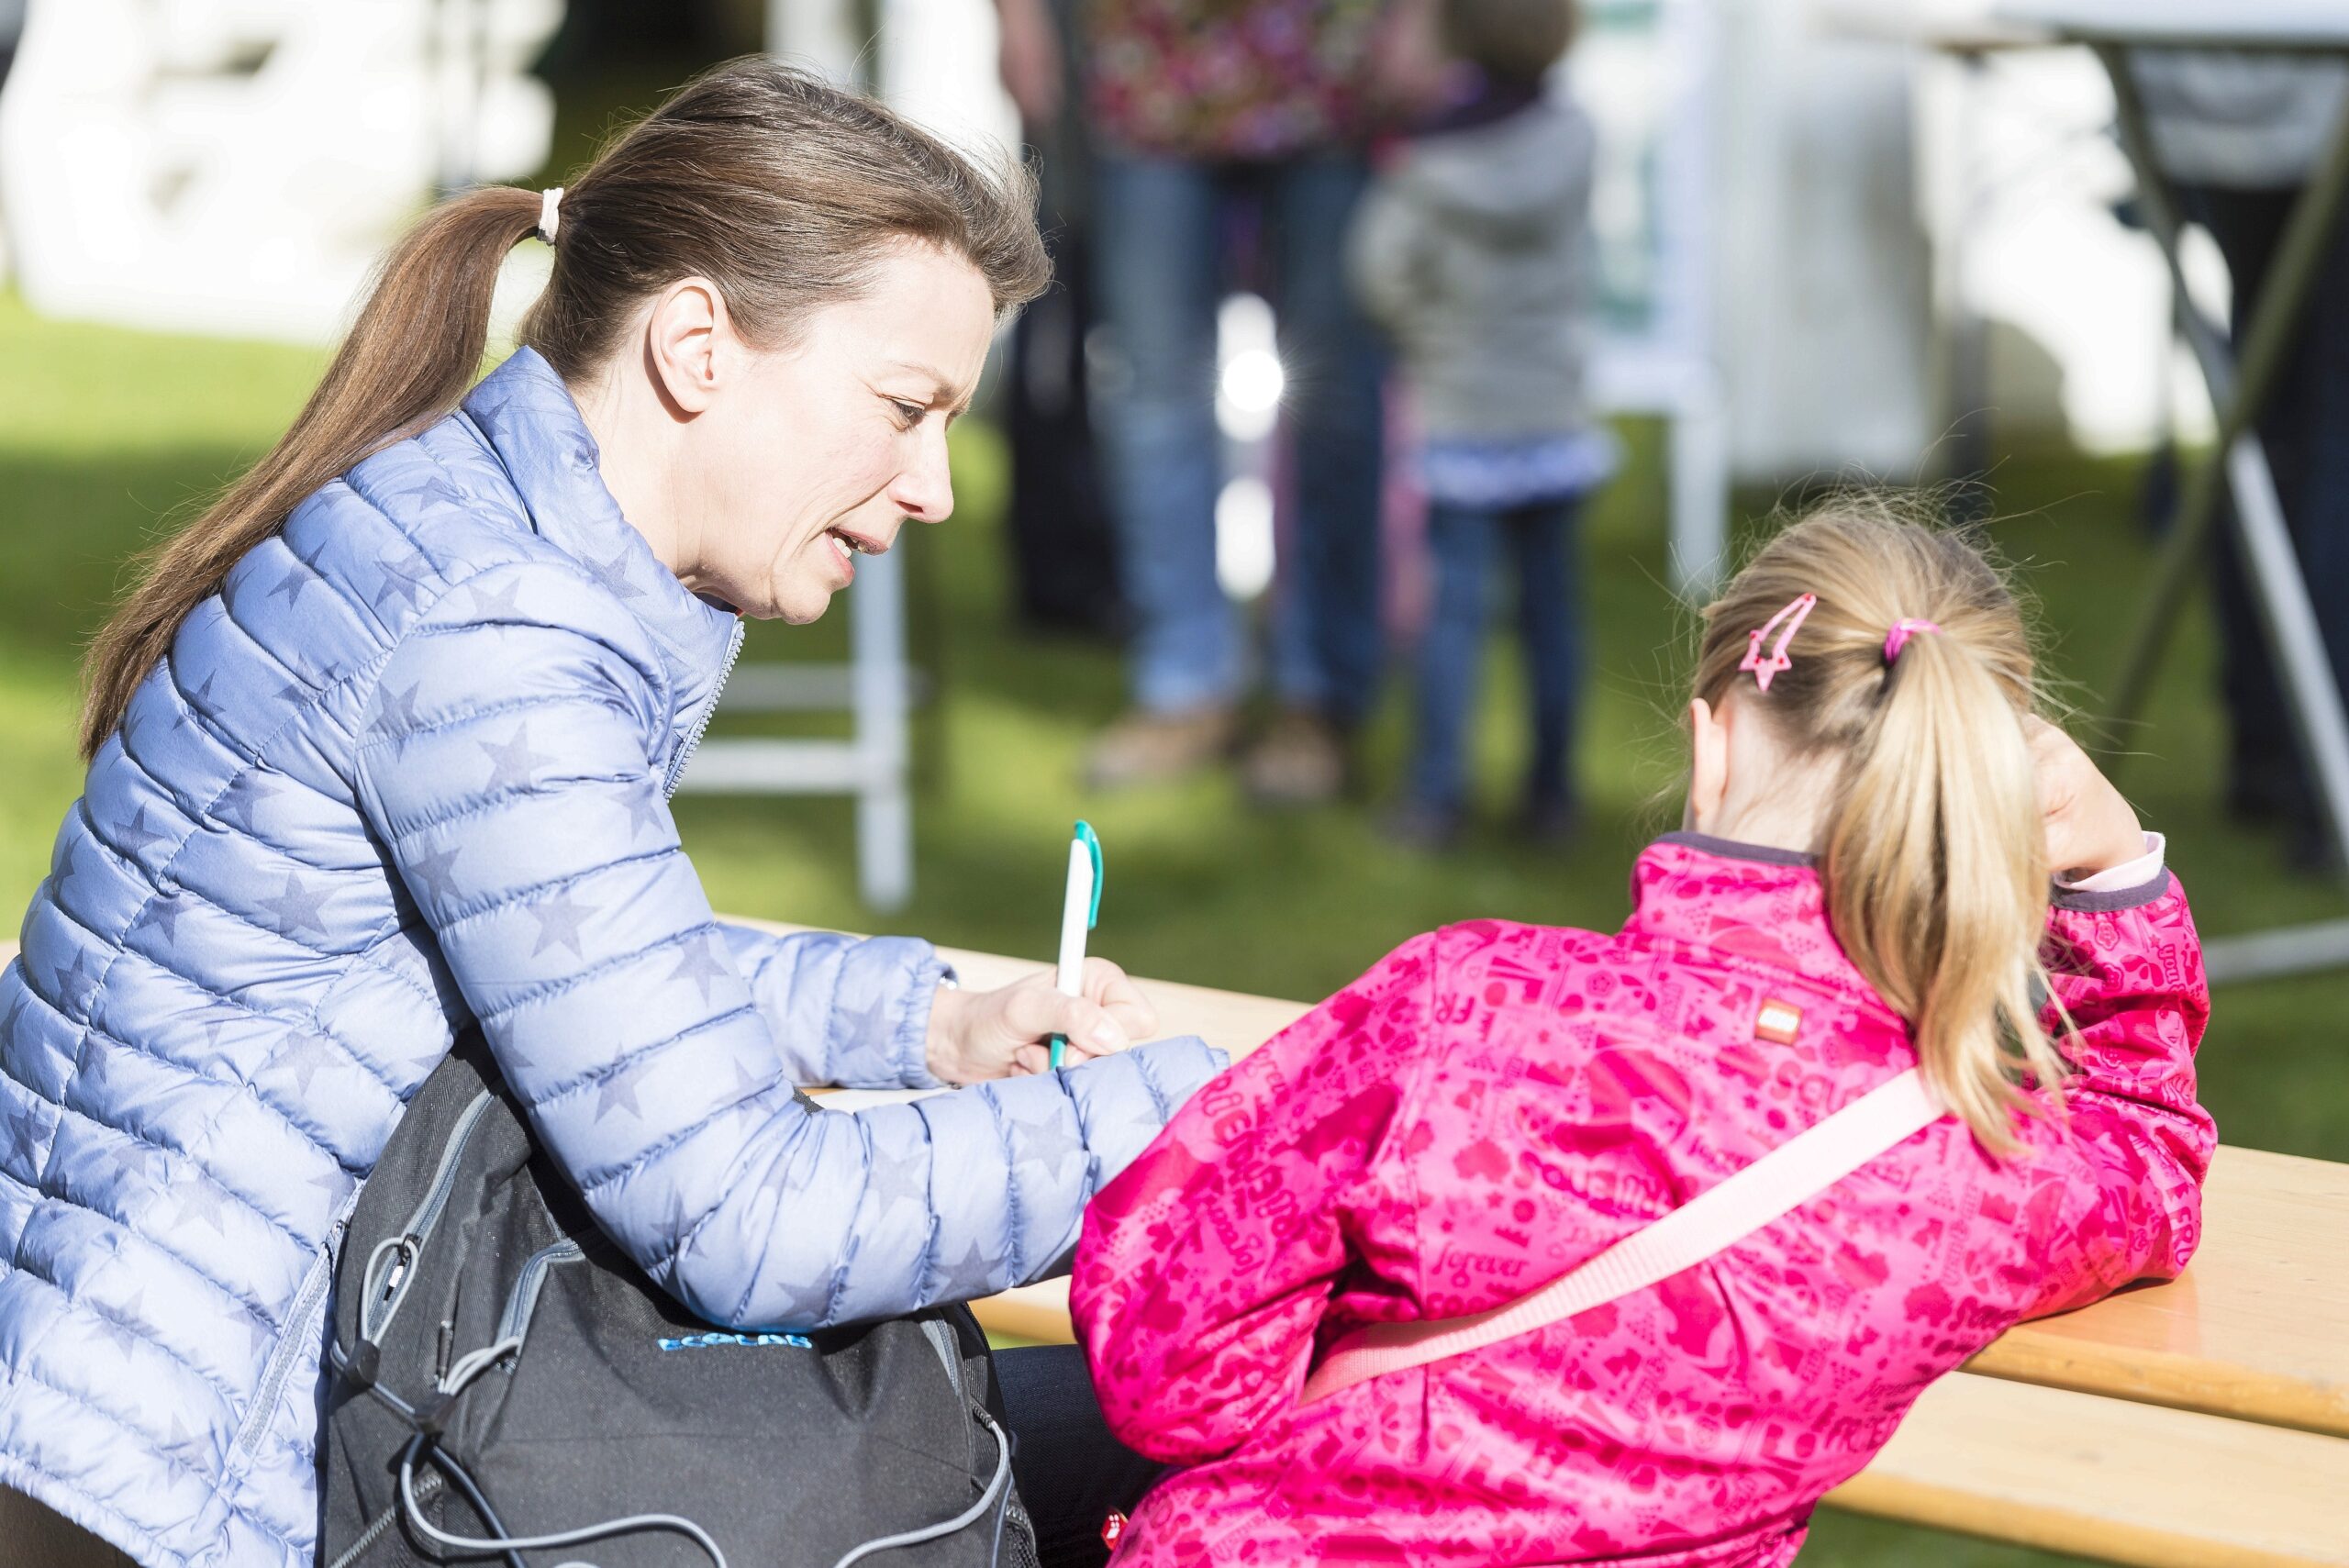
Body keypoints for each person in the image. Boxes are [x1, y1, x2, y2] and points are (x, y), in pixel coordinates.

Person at [0, 61, 1222, 1568]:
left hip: (134, 1402)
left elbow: (573, 962)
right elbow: (746, 1213)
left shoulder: (475, 534)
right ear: (698, 345)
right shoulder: (497, 634)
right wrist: (1186, 1122)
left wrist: (928, 1023)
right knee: (1156, 1450)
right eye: (906, 410)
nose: (935, 488)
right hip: (169, 1484)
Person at [1073, 503, 2213, 1565]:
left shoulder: (1464, 1006)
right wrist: (2116, 876)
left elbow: (1171, 1379)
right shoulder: (1977, 1176)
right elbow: (2149, 1157)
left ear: (1708, 747)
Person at [995, 0, 1394, 801]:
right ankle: (1181, 684)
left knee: (1336, 394)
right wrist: (1020, 18)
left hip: (1332, 49)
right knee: (1148, 389)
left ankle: (1317, 697)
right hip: (1146, 61)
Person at [1346, 0, 1610, 848]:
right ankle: (1552, 795)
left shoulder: (1424, 162)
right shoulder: (1575, 141)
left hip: (1460, 417)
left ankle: (1435, 796)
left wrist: (1429, 334)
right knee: (1551, 614)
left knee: (1452, 614)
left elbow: (1377, 276)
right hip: (1554, 418)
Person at [2136, 51, 2349, 867]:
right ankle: (2319, 785)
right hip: (2312, 95)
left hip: (2202, 103)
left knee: (2269, 420)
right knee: (2316, 428)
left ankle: (2268, 750)